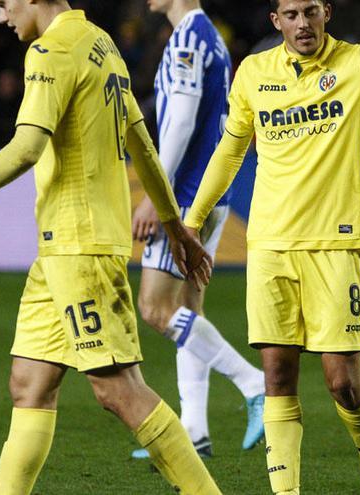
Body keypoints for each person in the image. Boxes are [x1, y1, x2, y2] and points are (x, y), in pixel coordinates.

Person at [0, 1, 221, 493]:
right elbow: (141, 141)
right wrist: (175, 227)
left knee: (119, 390)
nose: (3, 17)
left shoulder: (50, 51)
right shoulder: (101, 43)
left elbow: (27, 147)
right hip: (60, 251)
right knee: (29, 385)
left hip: (81, 247)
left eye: (6, 5)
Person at [183, 0, 360, 493]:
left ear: (327, 12)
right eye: (290, 14)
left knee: (343, 384)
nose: (302, 23)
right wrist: (192, 222)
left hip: (334, 244)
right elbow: (230, 150)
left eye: (310, 11)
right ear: (275, 21)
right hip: (269, 246)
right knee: (277, 380)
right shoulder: (254, 73)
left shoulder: (359, 63)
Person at [130, 0, 265, 460]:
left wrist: (156, 193)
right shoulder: (209, 37)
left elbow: (183, 121)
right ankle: (194, 432)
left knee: (155, 308)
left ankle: (255, 383)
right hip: (208, 195)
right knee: (188, 310)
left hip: (185, 197)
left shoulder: (189, 37)